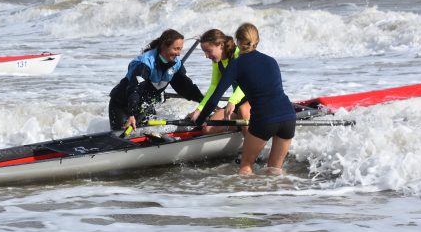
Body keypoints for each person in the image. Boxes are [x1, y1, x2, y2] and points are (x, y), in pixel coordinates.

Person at [193, 23, 296, 175]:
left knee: (246, 166)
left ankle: (245, 198)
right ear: (257, 40)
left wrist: (201, 119)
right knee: (274, 171)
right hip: (288, 116)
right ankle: (277, 198)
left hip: (265, 120)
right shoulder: (271, 60)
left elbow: (215, 99)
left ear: (238, 41)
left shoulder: (236, 64)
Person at [109, 29, 203, 131]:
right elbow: (135, 90)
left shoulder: (175, 65)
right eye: (176, 49)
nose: (178, 54)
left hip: (145, 108)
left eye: (180, 49)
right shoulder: (145, 64)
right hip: (123, 106)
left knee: (152, 133)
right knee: (125, 137)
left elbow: (187, 88)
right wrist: (131, 115)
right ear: (164, 46)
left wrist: (204, 102)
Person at [188, 29, 251, 133]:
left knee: (243, 111)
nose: (206, 56)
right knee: (207, 129)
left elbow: (248, 84)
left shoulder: (239, 55)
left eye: (208, 51)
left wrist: (232, 101)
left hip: (254, 99)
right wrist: (200, 109)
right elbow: (214, 86)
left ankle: (249, 132)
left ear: (221, 45)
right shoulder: (217, 61)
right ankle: (239, 128)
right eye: (204, 52)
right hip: (237, 102)